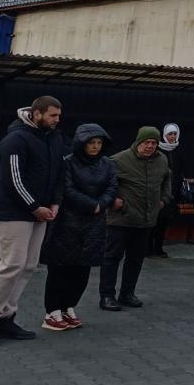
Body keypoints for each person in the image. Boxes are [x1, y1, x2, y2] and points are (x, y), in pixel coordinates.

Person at [0, 96, 63, 343]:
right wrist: (35, 207)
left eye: (58, 115)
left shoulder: (53, 139)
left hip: (41, 213)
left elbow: (58, 174)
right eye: (52, 115)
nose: (57, 120)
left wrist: (55, 202)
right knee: (11, 266)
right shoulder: (15, 139)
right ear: (36, 113)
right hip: (14, 213)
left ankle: (5, 318)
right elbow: (12, 179)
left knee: (28, 266)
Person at [39, 124, 116, 331]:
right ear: (81, 143)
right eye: (91, 142)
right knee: (60, 268)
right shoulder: (67, 163)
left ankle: (69, 306)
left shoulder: (108, 164)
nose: (96, 147)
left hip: (94, 225)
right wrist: (93, 205)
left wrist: (102, 203)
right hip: (67, 223)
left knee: (83, 269)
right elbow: (66, 189)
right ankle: (52, 311)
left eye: (99, 143)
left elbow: (112, 186)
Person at [99, 126, 171, 311]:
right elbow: (102, 180)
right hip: (121, 219)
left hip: (146, 220)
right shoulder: (119, 160)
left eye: (154, 143)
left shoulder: (161, 160)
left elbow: (166, 180)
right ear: (138, 142)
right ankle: (107, 296)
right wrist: (112, 200)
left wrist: (163, 199)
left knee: (136, 258)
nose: (150, 146)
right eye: (146, 142)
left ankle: (127, 293)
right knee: (112, 257)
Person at [151, 123, 192, 258]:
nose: (172, 137)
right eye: (170, 134)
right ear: (164, 135)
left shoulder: (179, 149)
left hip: (172, 191)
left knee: (164, 221)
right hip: (157, 189)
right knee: (153, 220)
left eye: (174, 134)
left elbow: (183, 168)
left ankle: (158, 247)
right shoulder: (158, 149)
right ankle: (148, 247)